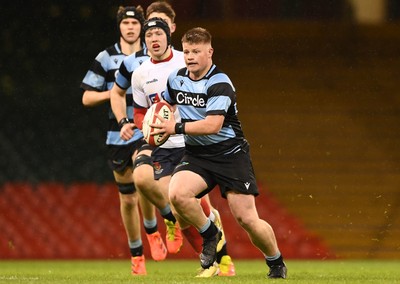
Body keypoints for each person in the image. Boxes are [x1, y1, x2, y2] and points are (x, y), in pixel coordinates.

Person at [153, 27, 288, 279]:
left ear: (209, 52)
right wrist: (158, 117)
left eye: (197, 51)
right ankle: (210, 234)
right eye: (188, 51)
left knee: (246, 218)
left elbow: (212, 125)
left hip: (230, 155)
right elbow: (164, 104)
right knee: (177, 195)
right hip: (197, 155)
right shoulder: (176, 78)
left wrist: (174, 127)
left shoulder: (219, 83)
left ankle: (276, 261)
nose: (191, 56)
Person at [111, 7, 235, 277]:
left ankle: (222, 261)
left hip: (189, 142)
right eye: (150, 35)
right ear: (145, 40)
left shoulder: (184, 61)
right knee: (154, 188)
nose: (154, 39)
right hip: (161, 144)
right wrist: (147, 126)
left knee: (192, 205)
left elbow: (205, 93)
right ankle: (201, 250)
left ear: (169, 36)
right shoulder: (140, 72)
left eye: (159, 33)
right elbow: (140, 110)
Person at [80, 6, 166, 276]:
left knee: (144, 178)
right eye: (125, 23)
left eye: (134, 23)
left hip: (145, 130)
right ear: (119, 27)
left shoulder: (150, 55)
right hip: (117, 133)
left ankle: (153, 229)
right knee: (128, 199)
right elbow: (86, 98)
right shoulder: (106, 58)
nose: (130, 27)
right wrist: (115, 91)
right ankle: (136, 253)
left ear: (142, 27)